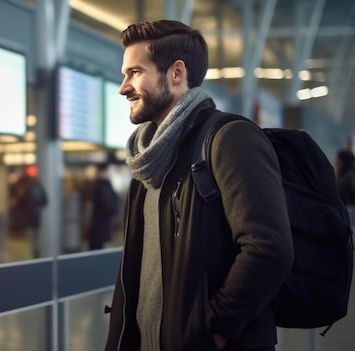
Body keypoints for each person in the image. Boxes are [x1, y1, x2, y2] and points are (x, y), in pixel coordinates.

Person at [105, 20, 294, 351]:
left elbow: (268, 248)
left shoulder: (228, 139)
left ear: (176, 73)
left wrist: (213, 330)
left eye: (134, 72)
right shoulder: (147, 160)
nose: (123, 87)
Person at [9, 166, 48, 258]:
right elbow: (45, 201)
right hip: (34, 218)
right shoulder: (38, 185)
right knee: (34, 239)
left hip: (25, 220)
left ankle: (30, 257)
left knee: (27, 242)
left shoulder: (22, 185)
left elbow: (18, 202)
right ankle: (34, 255)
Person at [86, 164, 119, 250]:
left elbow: (107, 205)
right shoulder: (106, 186)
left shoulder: (101, 187)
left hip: (100, 225)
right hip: (104, 225)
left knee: (97, 249)